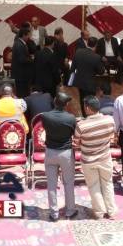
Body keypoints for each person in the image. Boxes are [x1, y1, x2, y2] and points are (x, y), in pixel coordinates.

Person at [74, 96, 118, 219]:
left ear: (88, 108)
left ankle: (99, 212)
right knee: (107, 184)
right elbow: (112, 136)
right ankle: (111, 211)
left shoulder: (81, 125)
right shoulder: (109, 120)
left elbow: (76, 143)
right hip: (105, 158)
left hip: (89, 160)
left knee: (94, 186)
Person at [42, 92, 77, 221]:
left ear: (54, 101)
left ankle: (54, 213)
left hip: (50, 152)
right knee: (68, 182)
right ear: (66, 104)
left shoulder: (45, 116)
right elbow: (73, 133)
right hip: (66, 153)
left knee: (51, 184)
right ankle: (70, 210)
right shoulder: (71, 118)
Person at [70, 37, 105, 117]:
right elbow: (101, 71)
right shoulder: (96, 57)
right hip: (90, 83)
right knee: (91, 101)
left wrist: (70, 81)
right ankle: (90, 117)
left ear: (87, 43)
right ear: (96, 45)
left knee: (82, 99)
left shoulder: (78, 52)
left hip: (80, 82)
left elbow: (72, 68)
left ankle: (84, 115)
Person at [11, 27, 33, 98]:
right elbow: (22, 59)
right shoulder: (19, 45)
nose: (29, 37)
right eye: (28, 35)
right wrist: (31, 59)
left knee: (23, 93)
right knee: (22, 93)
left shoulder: (20, 43)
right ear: (24, 35)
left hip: (21, 74)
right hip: (21, 74)